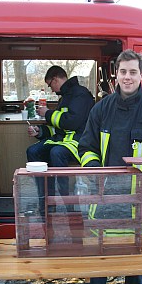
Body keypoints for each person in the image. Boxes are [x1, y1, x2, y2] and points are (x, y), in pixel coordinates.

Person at [78, 49, 142, 284]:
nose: (127, 77)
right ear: (116, 75)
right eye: (123, 72)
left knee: (135, 276)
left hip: (139, 207)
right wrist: (93, 171)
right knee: (97, 271)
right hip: (102, 204)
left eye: (133, 72)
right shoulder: (101, 110)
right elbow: (86, 147)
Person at [26, 65, 94, 215]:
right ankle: (46, 202)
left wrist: (48, 113)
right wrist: (40, 131)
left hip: (78, 141)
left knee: (57, 153)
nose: (51, 89)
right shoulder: (66, 96)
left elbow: (72, 123)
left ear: (56, 79)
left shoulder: (81, 95)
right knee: (33, 151)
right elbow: (59, 127)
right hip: (62, 140)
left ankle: (69, 205)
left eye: (50, 84)